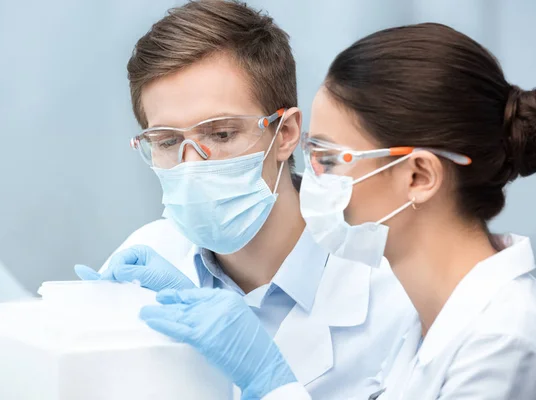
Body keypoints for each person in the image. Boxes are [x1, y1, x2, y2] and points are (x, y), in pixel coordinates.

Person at [136, 23, 536, 399]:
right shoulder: (431, 317)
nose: (313, 180)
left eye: (329, 159)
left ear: (417, 176)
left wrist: (270, 380)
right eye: (168, 141)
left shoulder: (503, 340)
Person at [75, 1, 412, 399]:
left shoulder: (395, 298)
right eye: (167, 141)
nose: (192, 166)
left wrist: (270, 381)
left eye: (221, 134)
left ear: (285, 133)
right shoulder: (144, 260)